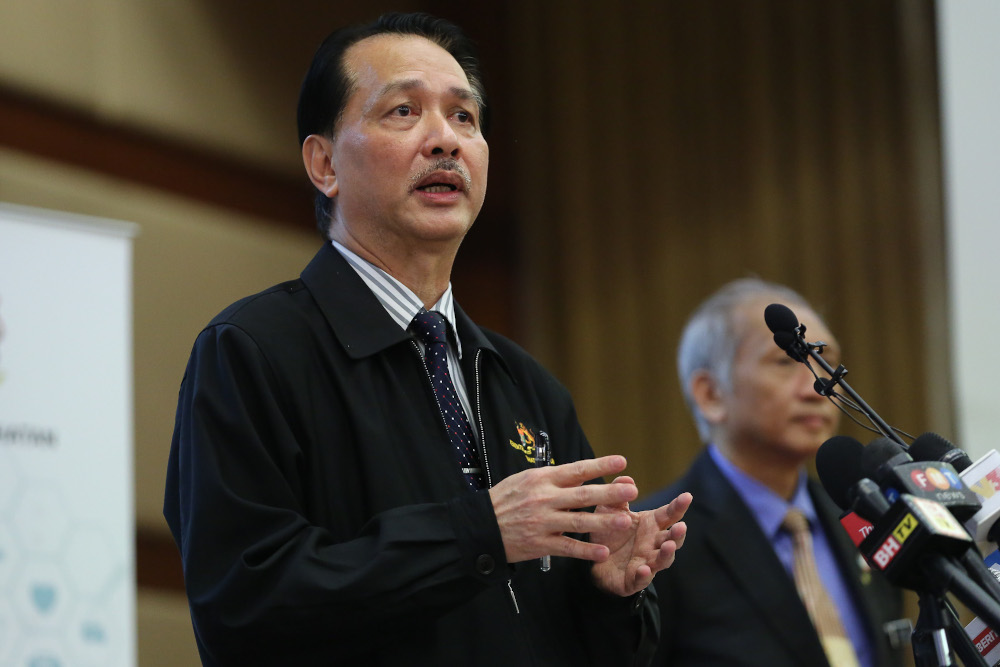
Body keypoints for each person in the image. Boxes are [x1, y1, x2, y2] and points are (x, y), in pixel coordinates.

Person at [163, 12, 691, 666]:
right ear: (323, 163)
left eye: (465, 118)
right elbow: (241, 605)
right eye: (404, 112)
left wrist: (607, 593)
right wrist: (479, 532)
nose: (446, 139)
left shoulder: (526, 384)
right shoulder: (251, 352)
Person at [636, 278, 905, 667]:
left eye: (825, 360)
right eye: (786, 361)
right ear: (711, 394)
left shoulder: (865, 514)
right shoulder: (659, 544)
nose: (819, 388)